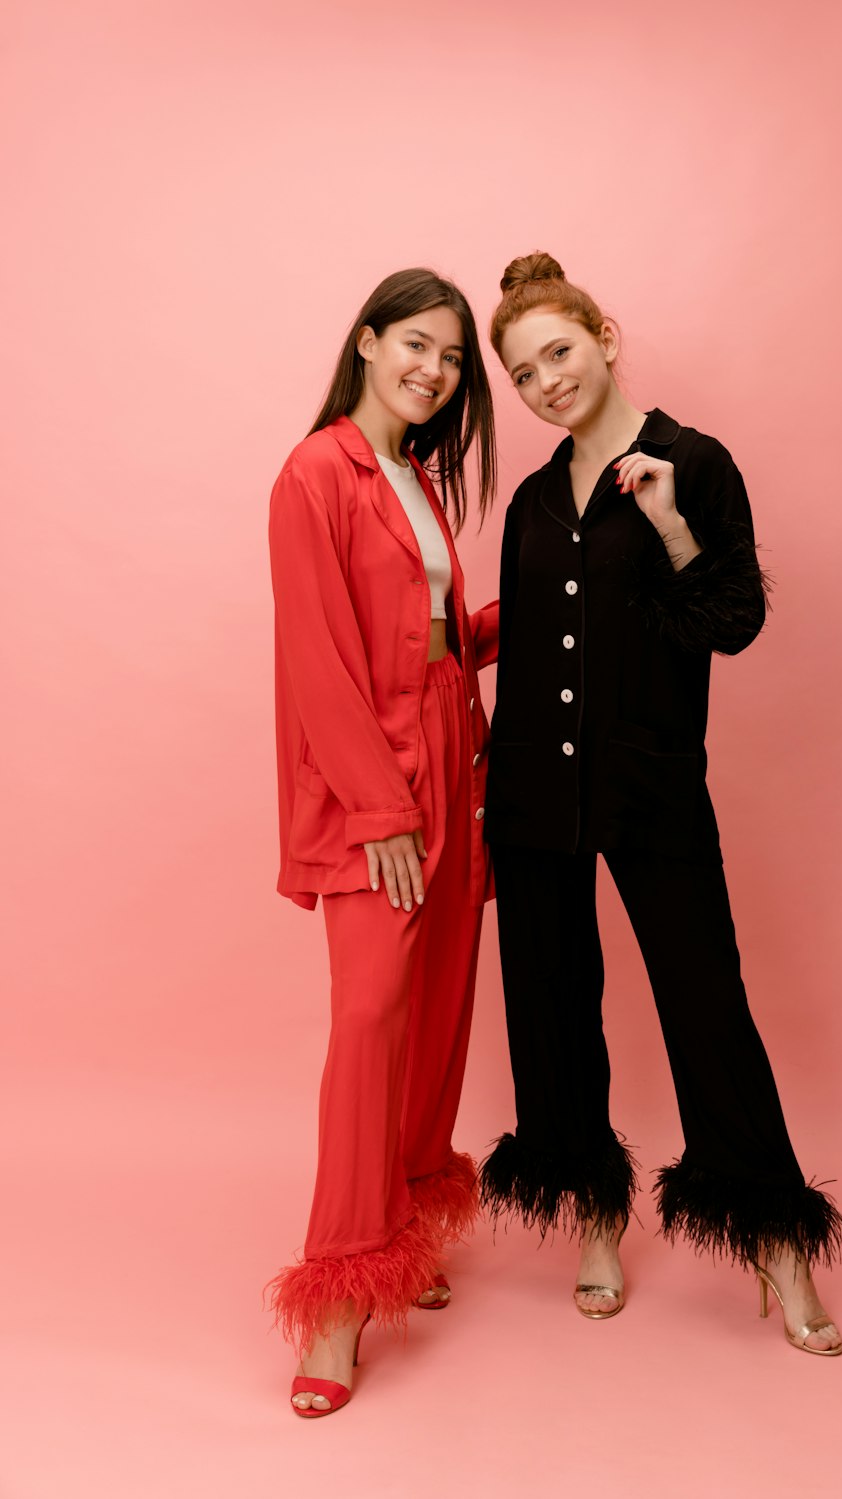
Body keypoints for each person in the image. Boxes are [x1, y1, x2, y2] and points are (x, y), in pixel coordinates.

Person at [478, 252, 842, 1356]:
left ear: (602, 335)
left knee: (705, 1005)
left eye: (558, 351)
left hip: (651, 783)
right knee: (550, 1005)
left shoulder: (695, 461)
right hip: (534, 788)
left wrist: (675, 527)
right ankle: (594, 1217)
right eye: (523, 371)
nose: (546, 380)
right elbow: (534, 635)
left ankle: (777, 1241)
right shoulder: (537, 497)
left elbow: (732, 621)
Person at [266, 268, 498, 1416]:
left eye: (452, 357)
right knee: (367, 1020)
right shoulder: (317, 471)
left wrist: (558, 605)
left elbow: (439, 632)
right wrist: (382, 810)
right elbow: (319, 658)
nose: (434, 371)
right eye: (416, 344)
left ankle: (402, 1232)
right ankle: (339, 1298)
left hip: (456, 760)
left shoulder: (416, 476)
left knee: (439, 1010)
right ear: (365, 341)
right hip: (381, 791)